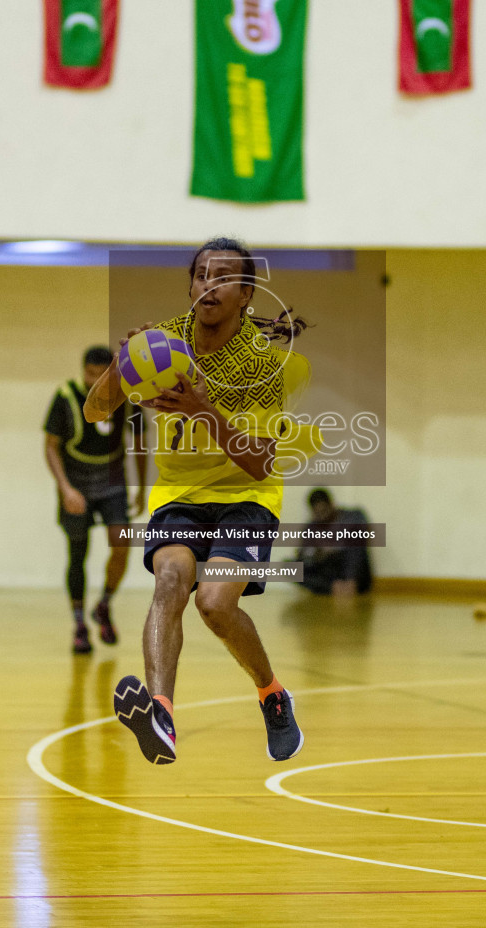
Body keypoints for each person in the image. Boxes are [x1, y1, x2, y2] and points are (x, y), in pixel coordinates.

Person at [86, 237, 314, 765]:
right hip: (179, 494)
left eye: (224, 276)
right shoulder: (163, 342)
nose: (208, 284)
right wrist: (121, 369)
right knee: (170, 579)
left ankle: (272, 694)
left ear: (246, 294)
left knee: (214, 602)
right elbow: (96, 411)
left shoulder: (263, 366)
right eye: (200, 274)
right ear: (190, 285)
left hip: (246, 495)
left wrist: (202, 408)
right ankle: (161, 713)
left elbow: (259, 461)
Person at [43, 345, 146, 655]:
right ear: (83, 371)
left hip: (112, 480)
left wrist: (141, 487)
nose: (94, 380)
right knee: (78, 553)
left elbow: (140, 442)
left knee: (122, 543)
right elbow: (50, 446)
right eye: (89, 373)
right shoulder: (66, 396)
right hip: (76, 483)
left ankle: (103, 605)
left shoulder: (128, 395)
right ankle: (79, 624)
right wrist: (65, 489)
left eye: (100, 374)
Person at [295, 489, 373, 596]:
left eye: (324, 511)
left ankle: (350, 583)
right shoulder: (311, 527)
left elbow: (363, 539)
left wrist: (333, 547)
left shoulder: (353, 516)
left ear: (331, 505)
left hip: (352, 567)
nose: (323, 516)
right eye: (318, 513)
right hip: (328, 571)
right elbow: (304, 556)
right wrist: (317, 553)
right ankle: (334, 587)